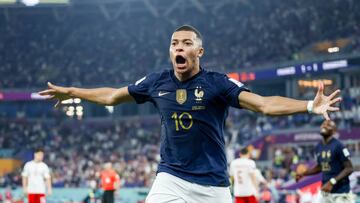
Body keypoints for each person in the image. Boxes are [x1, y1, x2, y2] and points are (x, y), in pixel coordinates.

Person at [39, 25, 341, 203]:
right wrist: (74, 91)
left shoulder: (217, 83)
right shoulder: (156, 82)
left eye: (186, 43)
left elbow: (262, 104)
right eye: (174, 44)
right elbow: (112, 96)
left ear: (199, 52)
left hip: (213, 185)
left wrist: (309, 106)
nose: (178, 48)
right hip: (171, 177)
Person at [296, 120, 354, 203]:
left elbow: (349, 168)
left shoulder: (339, 146)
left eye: (328, 125)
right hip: (326, 192)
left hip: (341, 193)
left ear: (334, 131)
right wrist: (304, 173)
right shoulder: (318, 147)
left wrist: (332, 182)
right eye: (323, 124)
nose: (325, 126)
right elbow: (320, 167)